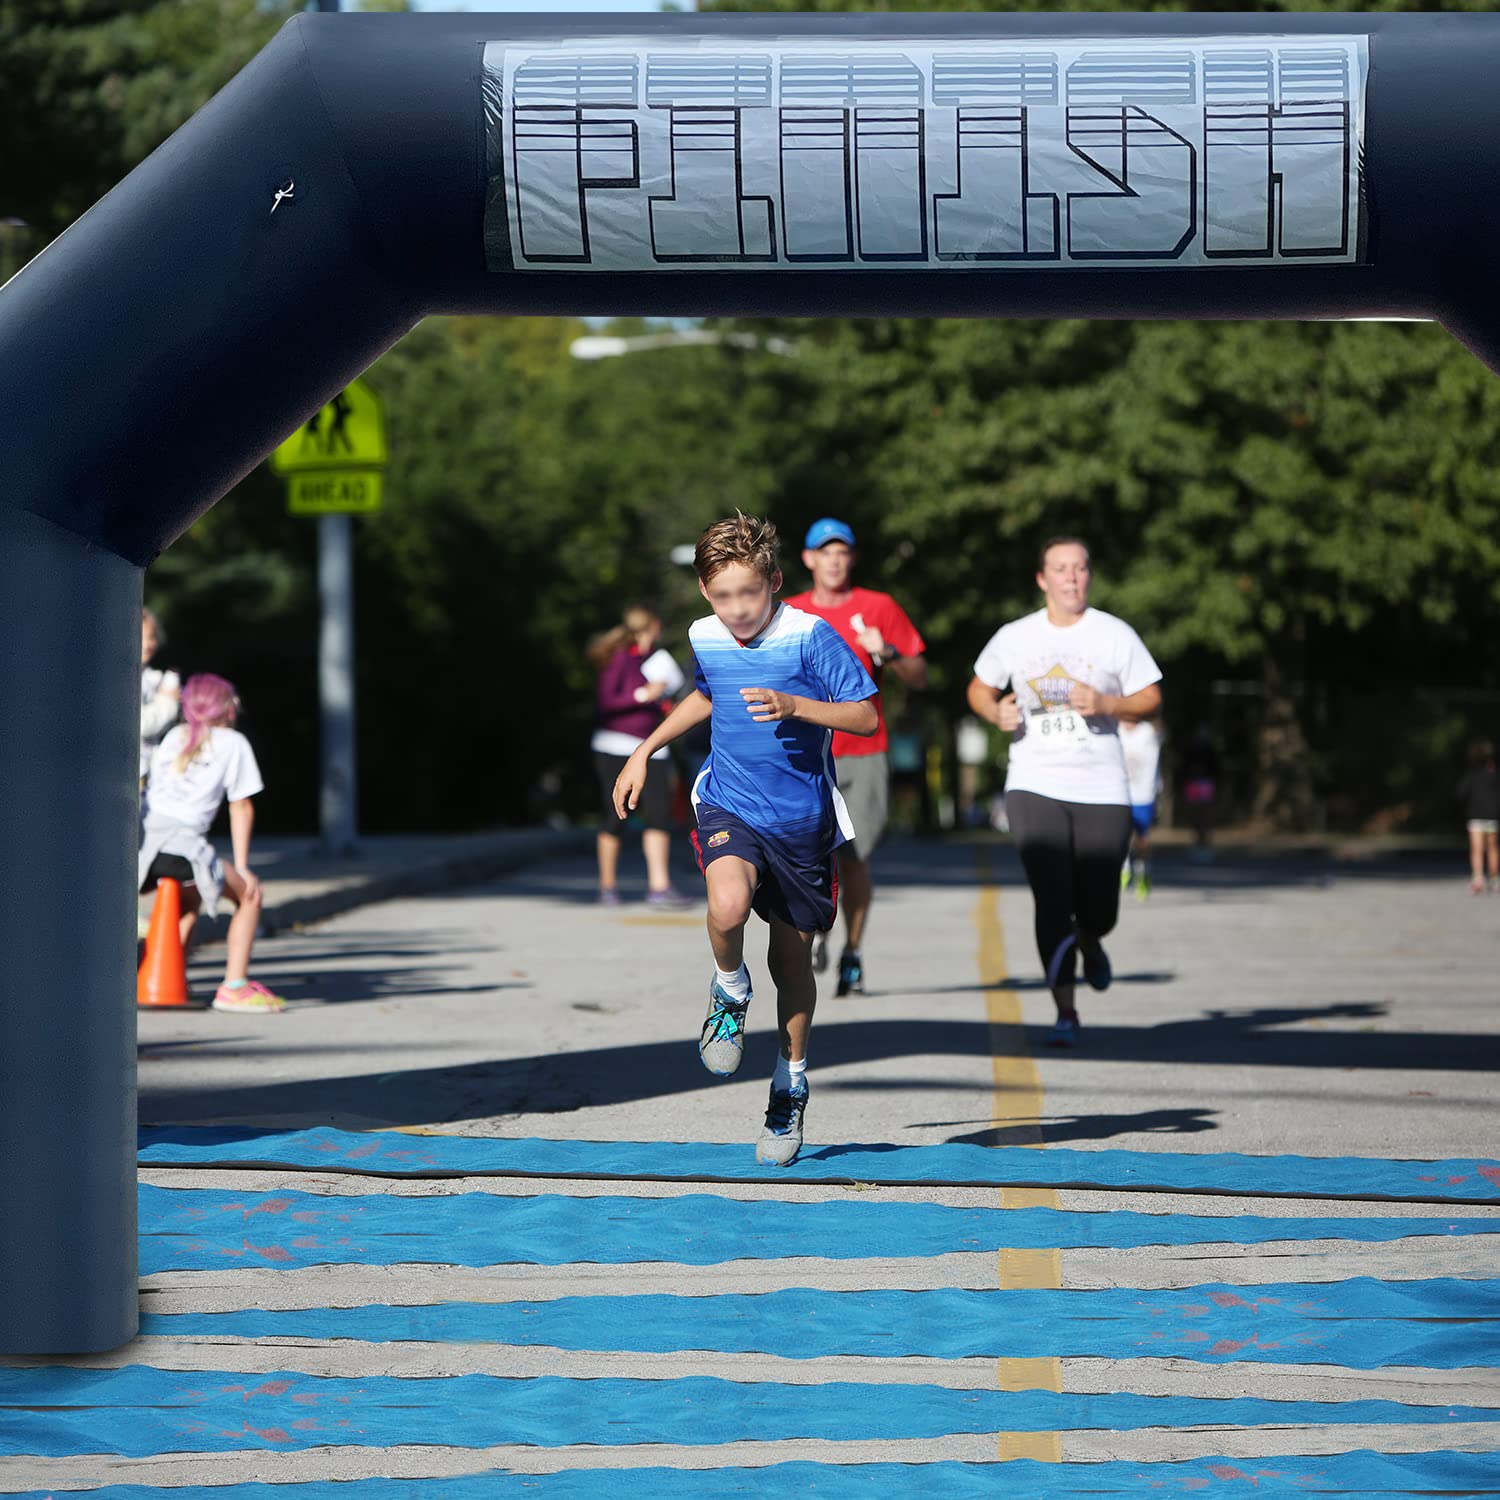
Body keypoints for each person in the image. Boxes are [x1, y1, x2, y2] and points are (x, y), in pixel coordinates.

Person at [613, 513, 877, 1165]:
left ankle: (790, 1084)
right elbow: (708, 694)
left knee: (792, 964)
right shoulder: (705, 635)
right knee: (727, 905)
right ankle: (729, 987)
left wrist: (797, 706)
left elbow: (867, 715)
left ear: (776, 583)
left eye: (750, 594)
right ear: (705, 592)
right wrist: (645, 749)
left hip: (803, 823)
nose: (737, 609)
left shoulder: (811, 637)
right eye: (723, 595)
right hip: (730, 801)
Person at [966, 537, 1162, 1049]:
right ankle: (1065, 1011)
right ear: (1042, 578)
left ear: (1088, 576)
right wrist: (994, 712)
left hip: (1102, 784)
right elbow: (978, 688)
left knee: (1099, 902)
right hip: (1034, 782)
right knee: (1052, 897)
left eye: (1080, 568)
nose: (1072, 577)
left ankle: (1093, 939)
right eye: (1061, 569)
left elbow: (1152, 697)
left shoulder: (1114, 634)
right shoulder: (1016, 635)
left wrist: (1107, 702)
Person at [785, 517, 927, 996]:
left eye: (842, 551)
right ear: (809, 559)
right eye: (825, 551)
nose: (834, 559)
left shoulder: (878, 607)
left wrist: (884, 651)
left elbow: (919, 675)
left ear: (851, 558)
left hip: (863, 752)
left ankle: (853, 952)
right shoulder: (790, 612)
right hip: (803, 751)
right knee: (806, 854)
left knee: (855, 857)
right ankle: (816, 927)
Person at [138, 673, 286, 1013]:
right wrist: (244, 867)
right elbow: (241, 806)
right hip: (181, 849)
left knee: (187, 900)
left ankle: (166, 979)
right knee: (250, 895)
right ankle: (234, 985)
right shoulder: (233, 743)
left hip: (144, 848)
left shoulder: (174, 735)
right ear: (227, 708)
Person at [588, 605, 693, 907]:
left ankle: (659, 886)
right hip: (615, 746)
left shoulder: (656, 660)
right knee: (615, 815)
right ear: (653, 625)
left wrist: (664, 705)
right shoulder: (620, 657)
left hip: (651, 749)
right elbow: (607, 701)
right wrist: (644, 695)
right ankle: (607, 885)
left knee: (659, 814)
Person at [1119, 716, 1162, 900]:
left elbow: (1159, 723)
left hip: (1144, 794)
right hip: (1121, 792)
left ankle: (1142, 869)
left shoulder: (1148, 731)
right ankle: (1124, 868)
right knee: (1122, 834)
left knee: (1142, 839)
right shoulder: (1117, 729)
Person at [140, 608, 180, 787]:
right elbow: (141, 725)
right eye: (142, 637)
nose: (149, 644)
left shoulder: (153, 678)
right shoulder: (115, 679)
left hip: (148, 777)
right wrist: (169, 702)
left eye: (152, 637)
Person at [1457, 738, 1500, 894]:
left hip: (1476, 816)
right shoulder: (1495, 775)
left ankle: (1478, 878)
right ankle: (1494, 880)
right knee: (1493, 848)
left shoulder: (1472, 774)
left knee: (1477, 849)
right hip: (1493, 816)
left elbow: (1461, 793)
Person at [1180, 724, 1221, 861]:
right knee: (1194, 816)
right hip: (1192, 785)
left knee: (1205, 817)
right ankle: (1196, 844)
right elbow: (1184, 768)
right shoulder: (1191, 750)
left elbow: (1216, 769)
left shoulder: (1210, 750)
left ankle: (1206, 845)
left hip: (1205, 785)